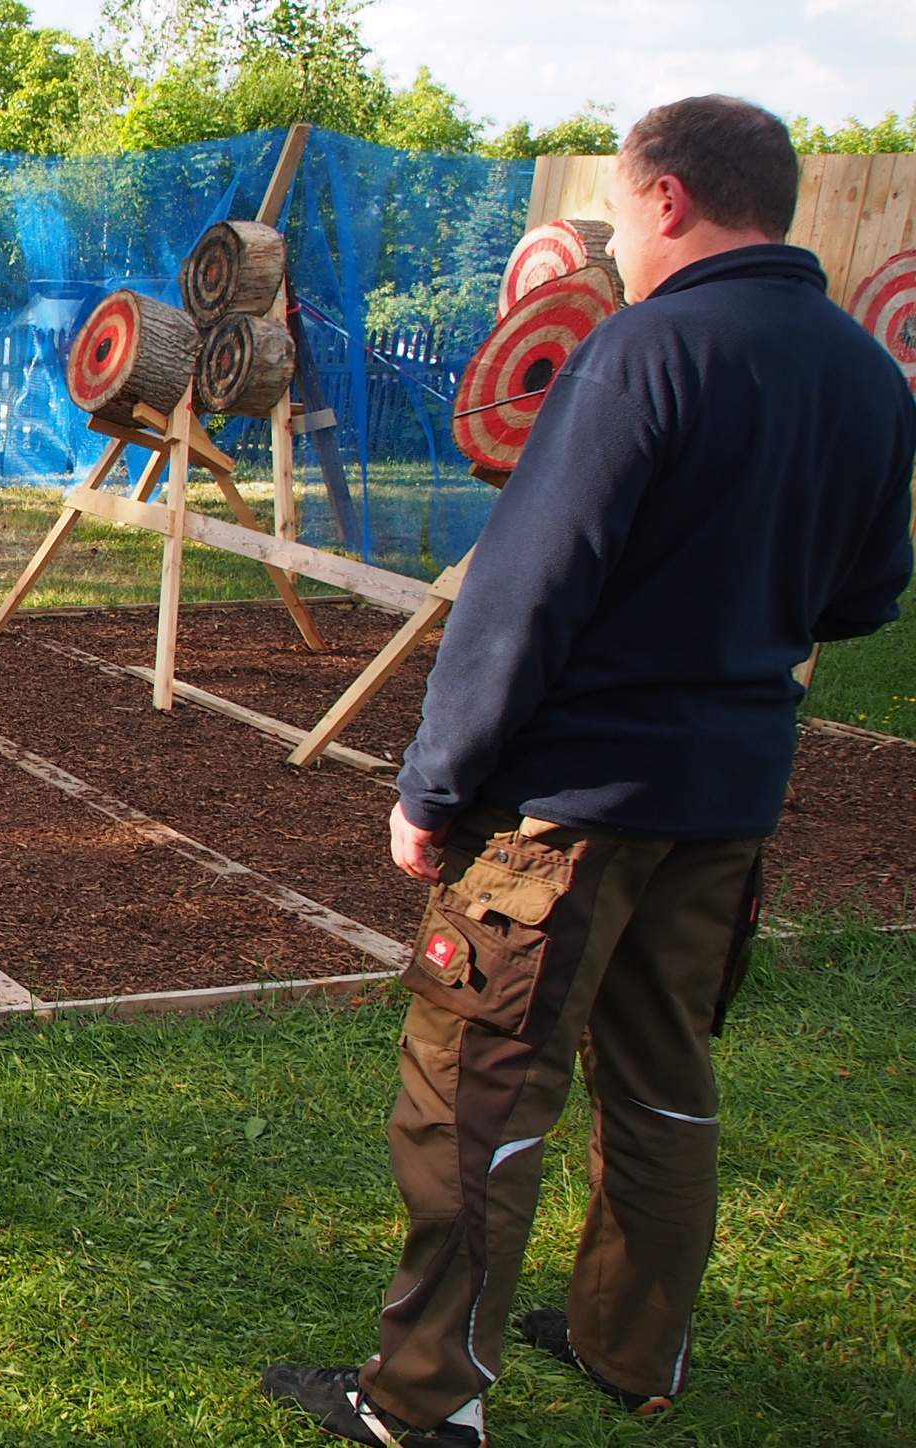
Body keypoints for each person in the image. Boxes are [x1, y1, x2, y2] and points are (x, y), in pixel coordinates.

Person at [261, 95, 914, 1448]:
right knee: (663, 1080)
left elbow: (524, 594)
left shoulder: (640, 349)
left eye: (618, 209)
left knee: (475, 1099)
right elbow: (865, 596)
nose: (614, 237)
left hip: (570, 817)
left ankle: (423, 1403)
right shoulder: (865, 373)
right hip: (727, 802)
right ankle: (633, 1346)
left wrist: (432, 787)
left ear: (668, 196)